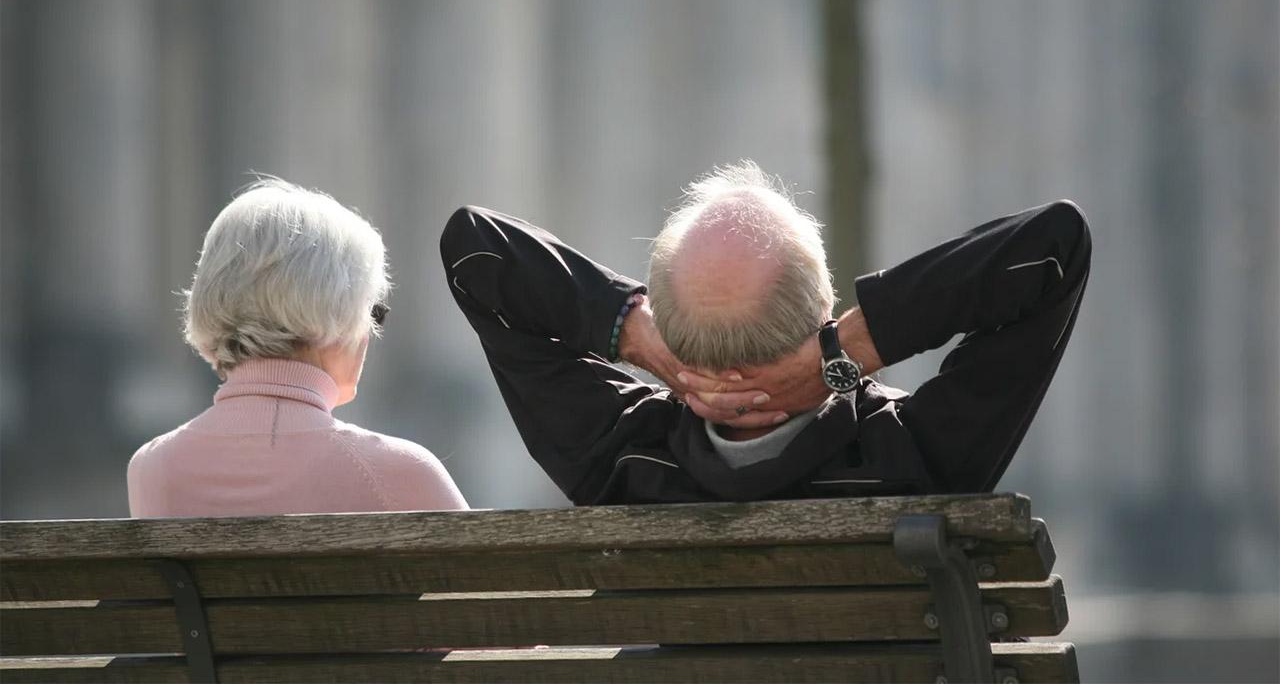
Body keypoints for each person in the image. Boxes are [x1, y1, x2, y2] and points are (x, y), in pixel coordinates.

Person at [441, 161, 1090, 505]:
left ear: (672, 328)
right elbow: (1054, 247)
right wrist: (845, 354)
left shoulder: (619, 460)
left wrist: (639, 339)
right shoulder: (916, 454)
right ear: (824, 304)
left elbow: (477, 254)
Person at [128, 178, 468, 517]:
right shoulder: (400, 471)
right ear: (339, 311)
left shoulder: (152, 467)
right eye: (373, 312)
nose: (370, 332)